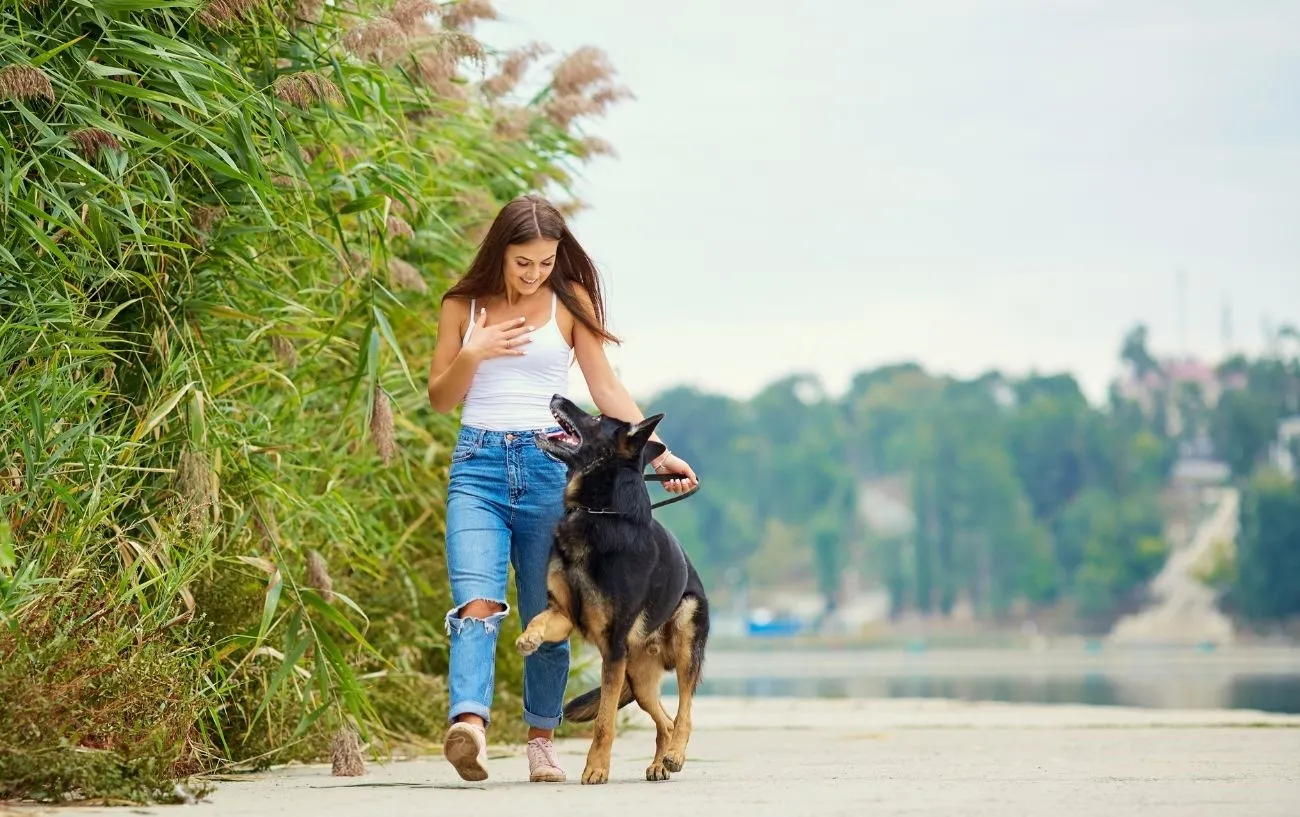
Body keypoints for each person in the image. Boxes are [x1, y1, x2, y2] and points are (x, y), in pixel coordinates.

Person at [425, 194, 699, 783]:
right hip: (478, 468)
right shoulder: (461, 306)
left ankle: (541, 741)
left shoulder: (567, 305)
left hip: (550, 471)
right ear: (501, 251)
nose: (534, 273)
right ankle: (469, 726)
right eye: (523, 261)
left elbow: (604, 388)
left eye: (546, 262)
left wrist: (661, 452)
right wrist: (473, 352)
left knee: (552, 612)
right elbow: (441, 399)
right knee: (476, 602)